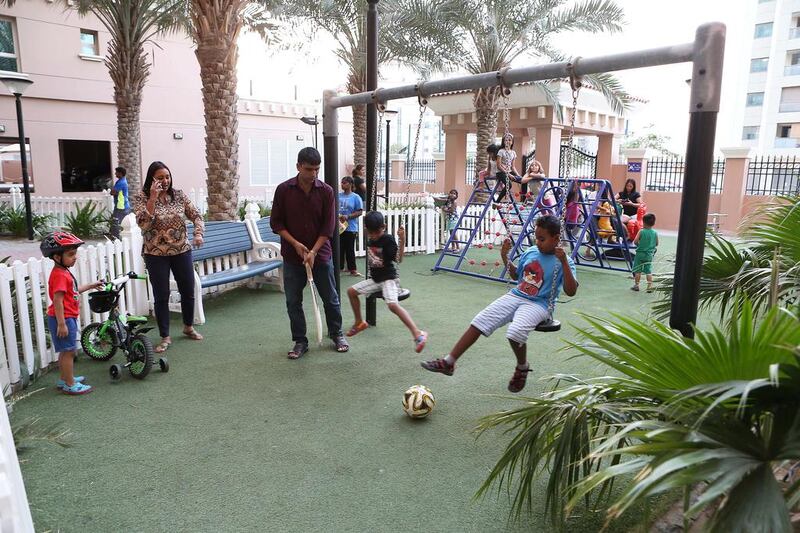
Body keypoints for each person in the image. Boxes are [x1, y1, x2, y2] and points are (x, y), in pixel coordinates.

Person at [421, 215, 578, 393]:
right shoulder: (531, 252)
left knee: (515, 332)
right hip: (516, 295)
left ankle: (522, 366)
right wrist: (505, 256)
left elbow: (571, 290)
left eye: (542, 239)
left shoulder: (564, 260)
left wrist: (564, 261)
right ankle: (449, 362)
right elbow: (516, 275)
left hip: (539, 305)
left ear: (556, 238)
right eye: (536, 237)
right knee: (479, 321)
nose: (538, 242)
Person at [271, 147, 349, 359]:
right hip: (292, 256)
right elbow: (276, 223)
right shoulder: (283, 190)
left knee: (330, 298)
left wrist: (313, 250)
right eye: (309, 169)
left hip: (321, 254)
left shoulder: (326, 191)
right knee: (293, 301)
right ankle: (300, 341)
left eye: (317, 169)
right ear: (298, 167)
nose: (313, 174)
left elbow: (328, 227)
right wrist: (296, 244)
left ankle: (337, 334)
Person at [132, 161, 205, 354]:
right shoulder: (141, 198)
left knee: (188, 289)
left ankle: (188, 326)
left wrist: (198, 233)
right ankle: (165, 336)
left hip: (182, 250)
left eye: (167, 176)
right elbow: (143, 225)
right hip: (155, 254)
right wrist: (153, 199)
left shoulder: (179, 195)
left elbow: (196, 215)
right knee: (161, 295)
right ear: (151, 179)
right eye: (160, 177)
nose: (165, 181)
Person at [345, 211, 428, 351]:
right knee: (351, 291)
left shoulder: (388, 239)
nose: (373, 235)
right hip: (376, 279)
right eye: (370, 232)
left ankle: (418, 334)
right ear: (366, 229)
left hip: (389, 278)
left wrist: (403, 240)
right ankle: (359, 322)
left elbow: (398, 259)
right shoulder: (370, 238)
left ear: (383, 227)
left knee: (392, 305)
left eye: (376, 232)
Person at [41, 232, 104, 395]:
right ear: (56, 257)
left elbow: (73, 291)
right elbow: (57, 301)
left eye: (75, 253)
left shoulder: (63, 272)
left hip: (65, 317)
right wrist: (62, 324)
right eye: (70, 254)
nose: (74, 257)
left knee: (65, 351)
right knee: (69, 352)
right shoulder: (60, 275)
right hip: (63, 318)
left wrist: (91, 285)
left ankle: (64, 379)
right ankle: (69, 384)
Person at [338, 176, 364, 276]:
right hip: (339, 227)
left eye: (344, 183)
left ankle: (352, 269)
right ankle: (339, 268)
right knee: (339, 248)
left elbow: (360, 212)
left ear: (350, 184)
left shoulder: (356, 197)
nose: (342, 184)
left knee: (349, 249)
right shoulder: (338, 195)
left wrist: (348, 216)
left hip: (350, 227)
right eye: (341, 182)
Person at [631, 213, 658, 292]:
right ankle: (649, 287)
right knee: (648, 271)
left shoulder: (641, 231)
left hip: (640, 254)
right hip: (649, 255)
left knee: (638, 270)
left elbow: (635, 241)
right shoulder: (654, 233)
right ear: (653, 223)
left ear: (644, 222)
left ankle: (636, 285)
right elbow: (657, 243)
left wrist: (640, 245)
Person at [108, 166, 130, 239]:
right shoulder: (121, 181)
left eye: (116, 172)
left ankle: (115, 238)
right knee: (117, 222)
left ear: (120, 173)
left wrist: (112, 190)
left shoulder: (121, 182)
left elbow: (112, 192)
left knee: (115, 222)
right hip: (122, 205)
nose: (115, 173)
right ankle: (115, 237)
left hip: (121, 206)